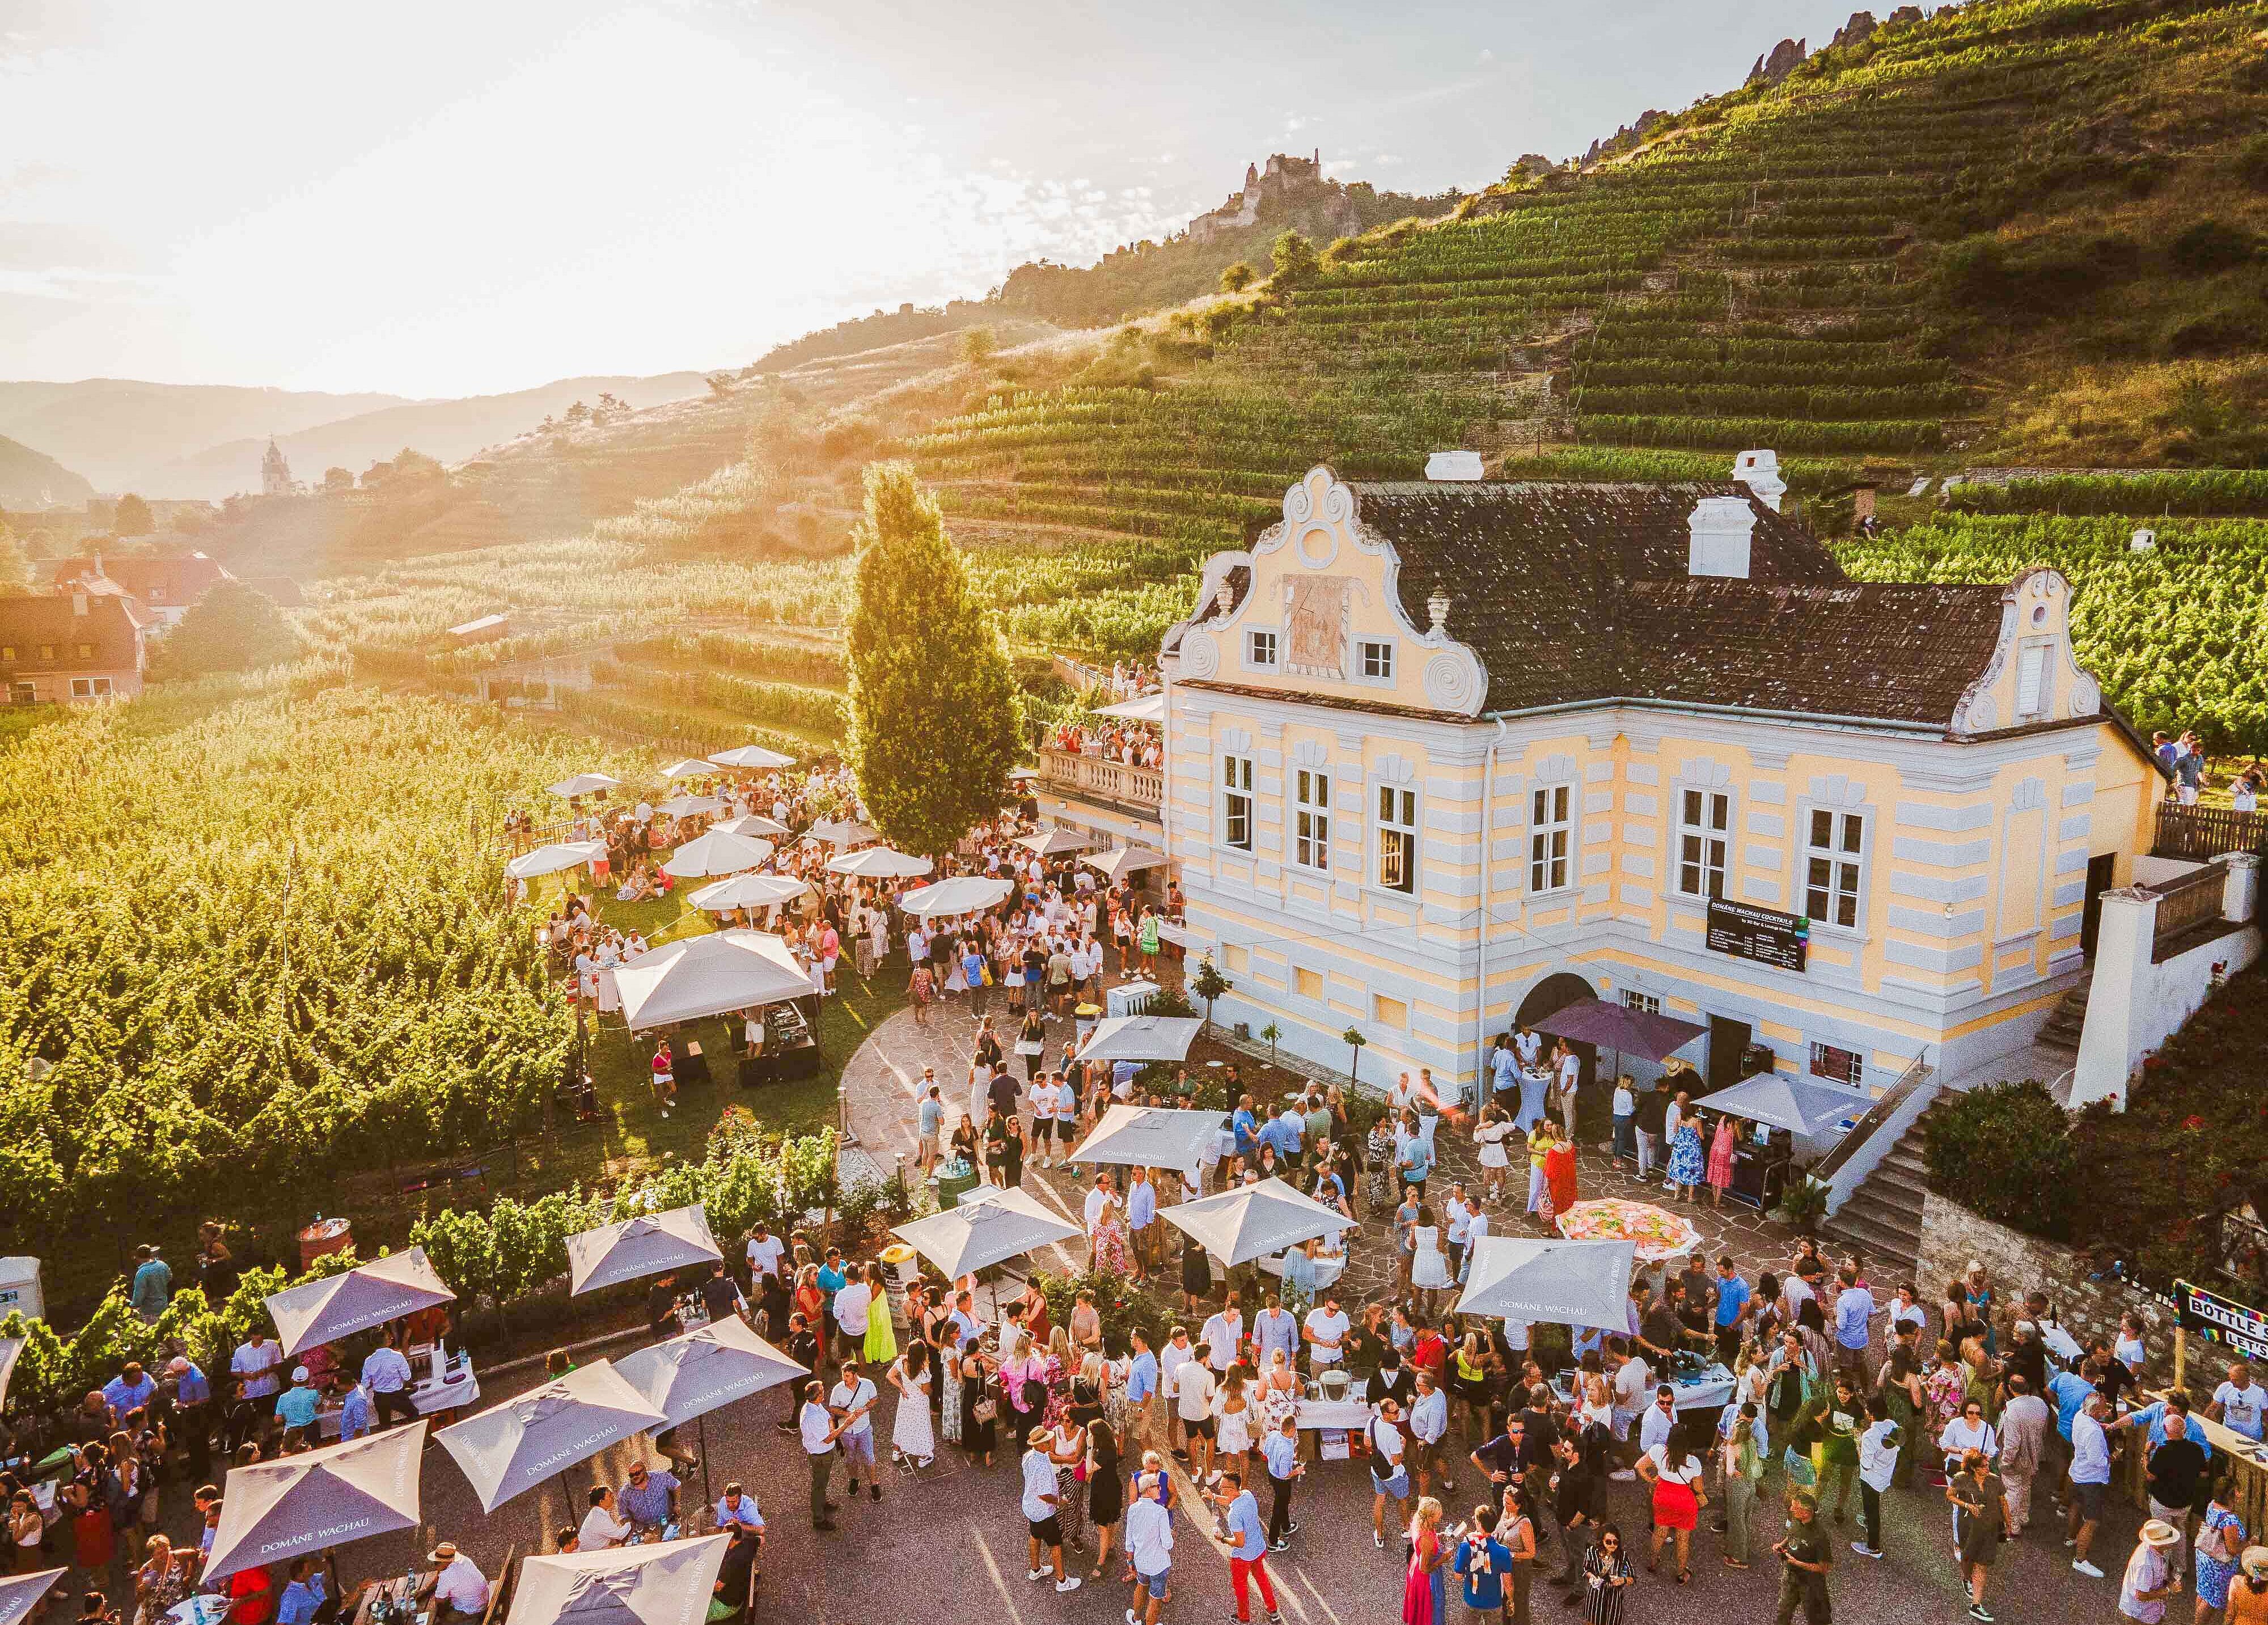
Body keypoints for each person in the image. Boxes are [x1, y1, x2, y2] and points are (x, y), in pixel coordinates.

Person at [1637, 1419, 1706, 1583]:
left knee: (1660, 1532)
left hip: (1663, 1497)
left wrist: (1653, 1481)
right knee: (1683, 1539)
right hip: (1684, 1501)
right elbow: (1699, 1489)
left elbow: (1639, 1467)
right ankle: (1681, 1573)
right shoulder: (1693, 1462)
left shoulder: (1659, 1451)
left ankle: (1653, 1563)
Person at [1022, 1427, 1082, 1593]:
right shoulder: (1042, 1465)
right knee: (1055, 1545)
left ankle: (1036, 1570)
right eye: (1047, 1442)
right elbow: (1044, 1495)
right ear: (1040, 1445)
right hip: (1044, 1511)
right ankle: (1062, 1581)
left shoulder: (1028, 1456)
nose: (1050, 1443)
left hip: (1031, 1507)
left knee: (1035, 1536)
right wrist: (1060, 1501)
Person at [1772, 1491, 1834, 1625]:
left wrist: (1797, 1563)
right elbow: (1792, 1535)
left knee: (1816, 1619)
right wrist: (1781, 1545)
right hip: (1791, 1576)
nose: (1791, 1509)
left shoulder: (1820, 1537)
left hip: (1810, 1583)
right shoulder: (1797, 1520)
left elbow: (1824, 1568)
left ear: (1806, 1513)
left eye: (1795, 1507)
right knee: (1783, 1612)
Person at [1125, 1469, 1174, 1625]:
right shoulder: (1161, 1512)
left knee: (1141, 1586)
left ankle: (1136, 1619)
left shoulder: (1133, 1509)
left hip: (1141, 1562)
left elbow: (1129, 1537)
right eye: (1157, 1486)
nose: (1160, 1488)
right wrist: (1170, 1536)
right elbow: (1168, 1544)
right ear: (1148, 1490)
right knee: (1155, 1599)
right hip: (1158, 1565)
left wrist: (1130, 1560)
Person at [1453, 1504, 1514, 1625]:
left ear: (1480, 1525)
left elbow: (1458, 1576)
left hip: (1472, 1599)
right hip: (1494, 1602)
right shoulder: (1504, 1551)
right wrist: (1511, 1600)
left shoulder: (1466, 1547)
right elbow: (1508, 1583)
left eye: (1475, 1519)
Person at [1721, 1403, 1765, 1569]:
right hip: (1750, 1484)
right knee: (1746, 1519)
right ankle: (1740, 1548)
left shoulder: (1733, 1447)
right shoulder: (1752, 1442)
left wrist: (1732, 1469)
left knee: (1736, 1521)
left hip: (1737, 1488)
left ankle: (1740, 1558)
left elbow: (1730, 1471)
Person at [2123, 1520, 2187, 1623]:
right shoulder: (2146, 1565)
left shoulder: (2152, 1549)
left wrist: (2165, 1583)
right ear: (2159, 1545)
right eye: (2169, 1540)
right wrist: (2168, 1590)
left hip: (2150, 1610)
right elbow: (2141, 1595)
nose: (2173, 1542)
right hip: (2141, 1614)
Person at [1372, 1397, 1414, 1551]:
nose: (1398, 1414)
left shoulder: (1373, 1422)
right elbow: (1397, 1461)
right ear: (1386, 1414)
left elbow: (1368, 1443)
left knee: (1380, 1501)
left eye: (1398, 1410)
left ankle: (1380, 1535)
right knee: (1403, 1501)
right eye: (1395, 1412)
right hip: (1394, 1475)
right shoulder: (1393, 1434)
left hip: (1377, 1470)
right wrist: (1403, 1445)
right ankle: (1406, 1528)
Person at [798, 1380, 841, 1531]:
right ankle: (819, 1519)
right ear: (818, 1396)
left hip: (824, 1453)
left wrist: (831, 1429)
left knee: (823, 1481)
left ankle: (822, 1504)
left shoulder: (815, 1406)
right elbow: (828, 1439)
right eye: (822, 1391)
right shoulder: (811, 1416)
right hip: (820, 1455)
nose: (825, 1392)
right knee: (819, 1485)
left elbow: (828, 1418)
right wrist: (846, 1423)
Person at [1261, 1412, 1302, 1553]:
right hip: (1281, 1481)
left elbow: (1266, 1452)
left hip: (1271, 1474)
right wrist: (1297, 1471)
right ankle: (1273, 1541)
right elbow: (1285, 1474)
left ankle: (1286, 1527)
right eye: (1295, 1428)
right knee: (1278, 1509)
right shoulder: (1287, 1450)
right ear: (1291, 1430)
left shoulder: (1273, 1434)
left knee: (1283, 1503)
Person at [1404, 1496, 1449, 1625]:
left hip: (1416, 1563)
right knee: (1432, 1608)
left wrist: (1437, 1536)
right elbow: (1424, 1569)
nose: (1441, 1515)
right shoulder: (1426, 1539)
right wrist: (1442, 1559)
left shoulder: (1418, 1520)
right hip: (1426, 1579)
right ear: (1429, 1517)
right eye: (1438, 1514)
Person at [1579, 1523, 1633, 1625]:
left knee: (1612, 1621)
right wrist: (1592, 1577)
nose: (1612, 1545)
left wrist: (1624, 1580)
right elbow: (1586, 1569)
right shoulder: (1592, 1552)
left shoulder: (1623, 1556)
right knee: (1593, 1620)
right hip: (1596, 1594)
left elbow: (1631, 1576)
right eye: (1608, 1542)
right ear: (1602, 1541)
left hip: (1614, 1597)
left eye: (1615, 1542)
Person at [429, 1543, 490, 1620]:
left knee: (438, 1619)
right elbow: (439, 1577)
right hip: (483, 1601)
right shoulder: (464, 1560)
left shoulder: (447, 1575)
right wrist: (425, 1590)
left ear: (444, 1562)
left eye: (437, 1562)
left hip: (472, 1611)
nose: (435, 1565)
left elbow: (440, 1600)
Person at [617, 1459, 679, 1535]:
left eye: (637, 1473)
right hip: (643, 1531)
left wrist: (677, 1503)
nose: (635, 1477)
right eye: (631, 1475)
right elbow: (623, 1515)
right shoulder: (624, 1493)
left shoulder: (661, 1477)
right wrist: (630, 1527)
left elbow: (677, 1485)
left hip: (668, 1522)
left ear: (644, 1470)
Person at [578, 1486, 631, 1551]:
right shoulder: (599, 1518)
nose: (613, 1497)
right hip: (592, 1554)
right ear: (601, 1501)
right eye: (610, 1495)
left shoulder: (597, 1513)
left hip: (595, 1551)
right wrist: (631, 1523)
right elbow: (620, 1535)